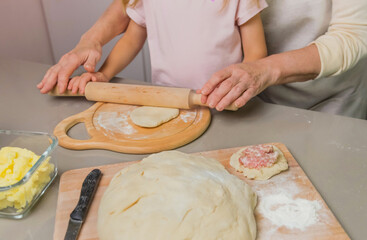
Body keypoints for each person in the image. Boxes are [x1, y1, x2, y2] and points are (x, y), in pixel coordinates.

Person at [38, 0, 367, 118]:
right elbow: (135, 12)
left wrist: (261, 69)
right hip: (238, 98)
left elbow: (353, 34)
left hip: (325, 99)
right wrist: (93, 44)